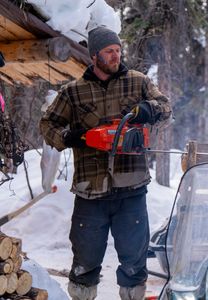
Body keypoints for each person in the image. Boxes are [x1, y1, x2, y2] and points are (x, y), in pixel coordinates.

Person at [40, 26, 172, 300]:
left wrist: (150, 109)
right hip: (90, 192)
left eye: (118, 50)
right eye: (109, 52)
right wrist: (71, 137)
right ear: (94, 56)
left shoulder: (138, 82)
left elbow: (166, 107)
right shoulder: (73, 92)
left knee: (134, 264)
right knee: (84, 262)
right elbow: (47, 124)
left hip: (131, 190)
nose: (116, 56)